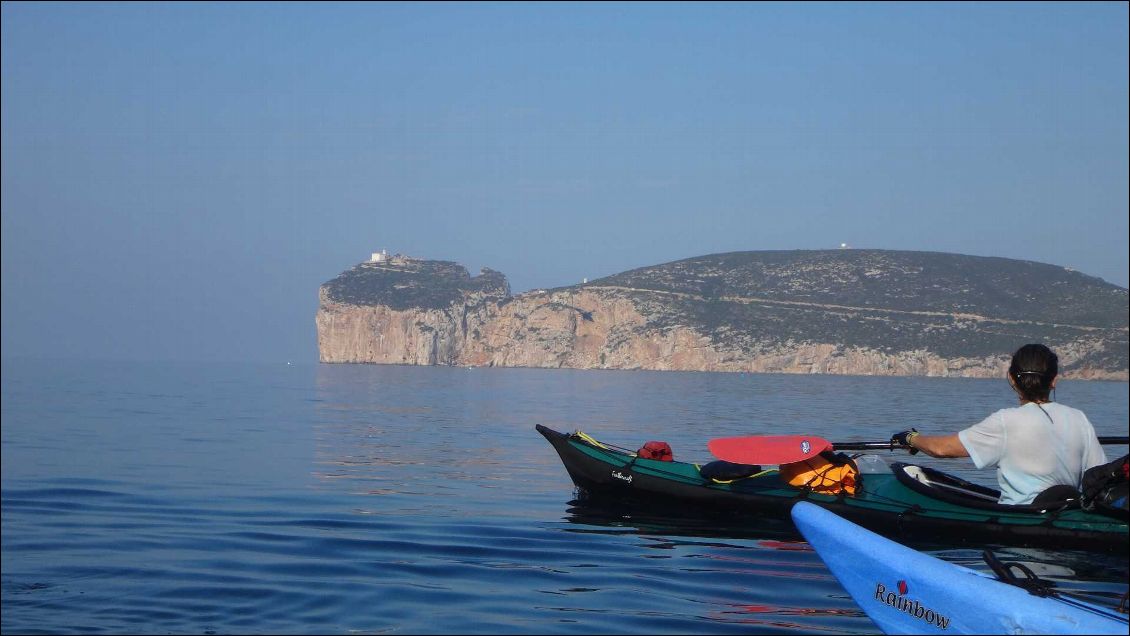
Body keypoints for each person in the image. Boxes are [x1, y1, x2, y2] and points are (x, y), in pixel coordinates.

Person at [890, 343, 1107, 505]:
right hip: (1066, 514)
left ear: (1011, 379)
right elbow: (1099, 477)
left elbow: (940, 449)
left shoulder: (1005, 421)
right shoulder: (1079, 418)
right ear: (1054, 380)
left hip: (1022, 525)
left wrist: (911, 438)